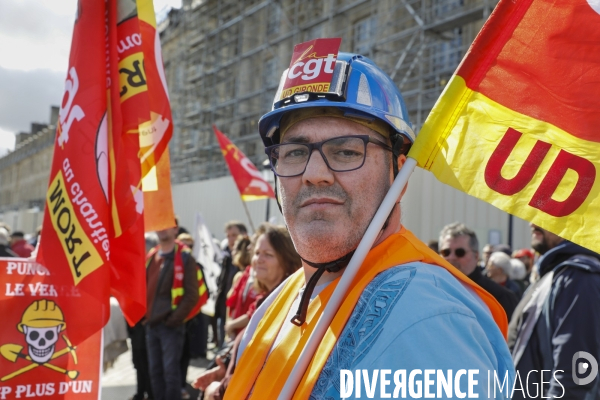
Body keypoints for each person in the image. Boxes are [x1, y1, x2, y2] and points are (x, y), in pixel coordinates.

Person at [225, 47, 514, 398]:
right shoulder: (281, 301)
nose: (314, 174)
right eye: (295, 152)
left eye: (346, 151)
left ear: (398, 176)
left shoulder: (429, 320)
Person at [194, 225, 301, 399]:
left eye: (268, 255)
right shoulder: (264, 302)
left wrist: (214, 391)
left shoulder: (290, 309)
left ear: (287, 261)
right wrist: (224, 370)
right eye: (257, 253)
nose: (258, 259)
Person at [508, 224, 600, 399]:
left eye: (547, 214)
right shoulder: (557, 273)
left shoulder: (579, 278)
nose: (532, 223)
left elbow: (577, 374)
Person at [145, 222, 199, 400]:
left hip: (171, 327)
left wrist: (174, 320)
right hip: (152, 325)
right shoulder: (152, 256)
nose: (161, 228)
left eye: (166, 224)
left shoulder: (185, 257)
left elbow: (192, 295)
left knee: (170, 373)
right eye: (159, 224)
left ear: (176, 229)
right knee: (155, 372)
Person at [439, 222, 519, 321]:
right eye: (446, 252)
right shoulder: (433, 290)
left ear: (476, 256)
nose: (451, 257)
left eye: (460, 252)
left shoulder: (500, 297)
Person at [214, 221, 247, 348]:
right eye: (228, 236)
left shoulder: (248, 263)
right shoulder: (226, 256)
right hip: (224, 312)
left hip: (238, 319)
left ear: (243, 235)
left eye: (234, 235)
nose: (230, 239)